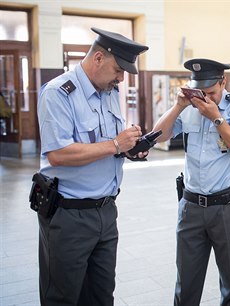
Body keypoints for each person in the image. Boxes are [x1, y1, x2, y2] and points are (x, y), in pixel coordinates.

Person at [35, 27, 148, 305]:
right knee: (62, 297)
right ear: (98, 58)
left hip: (106, 213)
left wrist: (129, 148)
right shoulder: (58, 93)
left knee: (101, 295)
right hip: (69, 215)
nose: (121, 77)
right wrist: (116, 145)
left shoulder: (109, 90)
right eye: (118, 69)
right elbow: (58, 154)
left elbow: (107, 142)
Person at [153, 58, 230, 306]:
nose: (206, 98)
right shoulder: (189, 106)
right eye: (201, 92)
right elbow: (159, 136)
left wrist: (217, 118)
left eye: (211, 92)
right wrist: (178, 107)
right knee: (185, 284)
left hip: (227, 206)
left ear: (223, 83)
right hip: (191, 207)